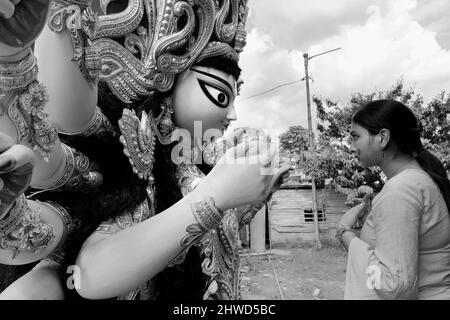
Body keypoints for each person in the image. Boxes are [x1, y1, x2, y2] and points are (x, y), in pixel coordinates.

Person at [0, 0, 290, 300]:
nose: (232, 115)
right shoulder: (139, 159)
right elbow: (91, 274)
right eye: (220, 95)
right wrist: (212, 197)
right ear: (168, 81)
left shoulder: (202, 165)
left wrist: (251, 191)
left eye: (234, 97)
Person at [337, 99, 450, 300]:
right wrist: (373, 222)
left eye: (356, 137)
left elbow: (394, 286)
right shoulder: (416, 180)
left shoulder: (400, 190)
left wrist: (345, 234)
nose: (353, 147)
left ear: (382, 137)